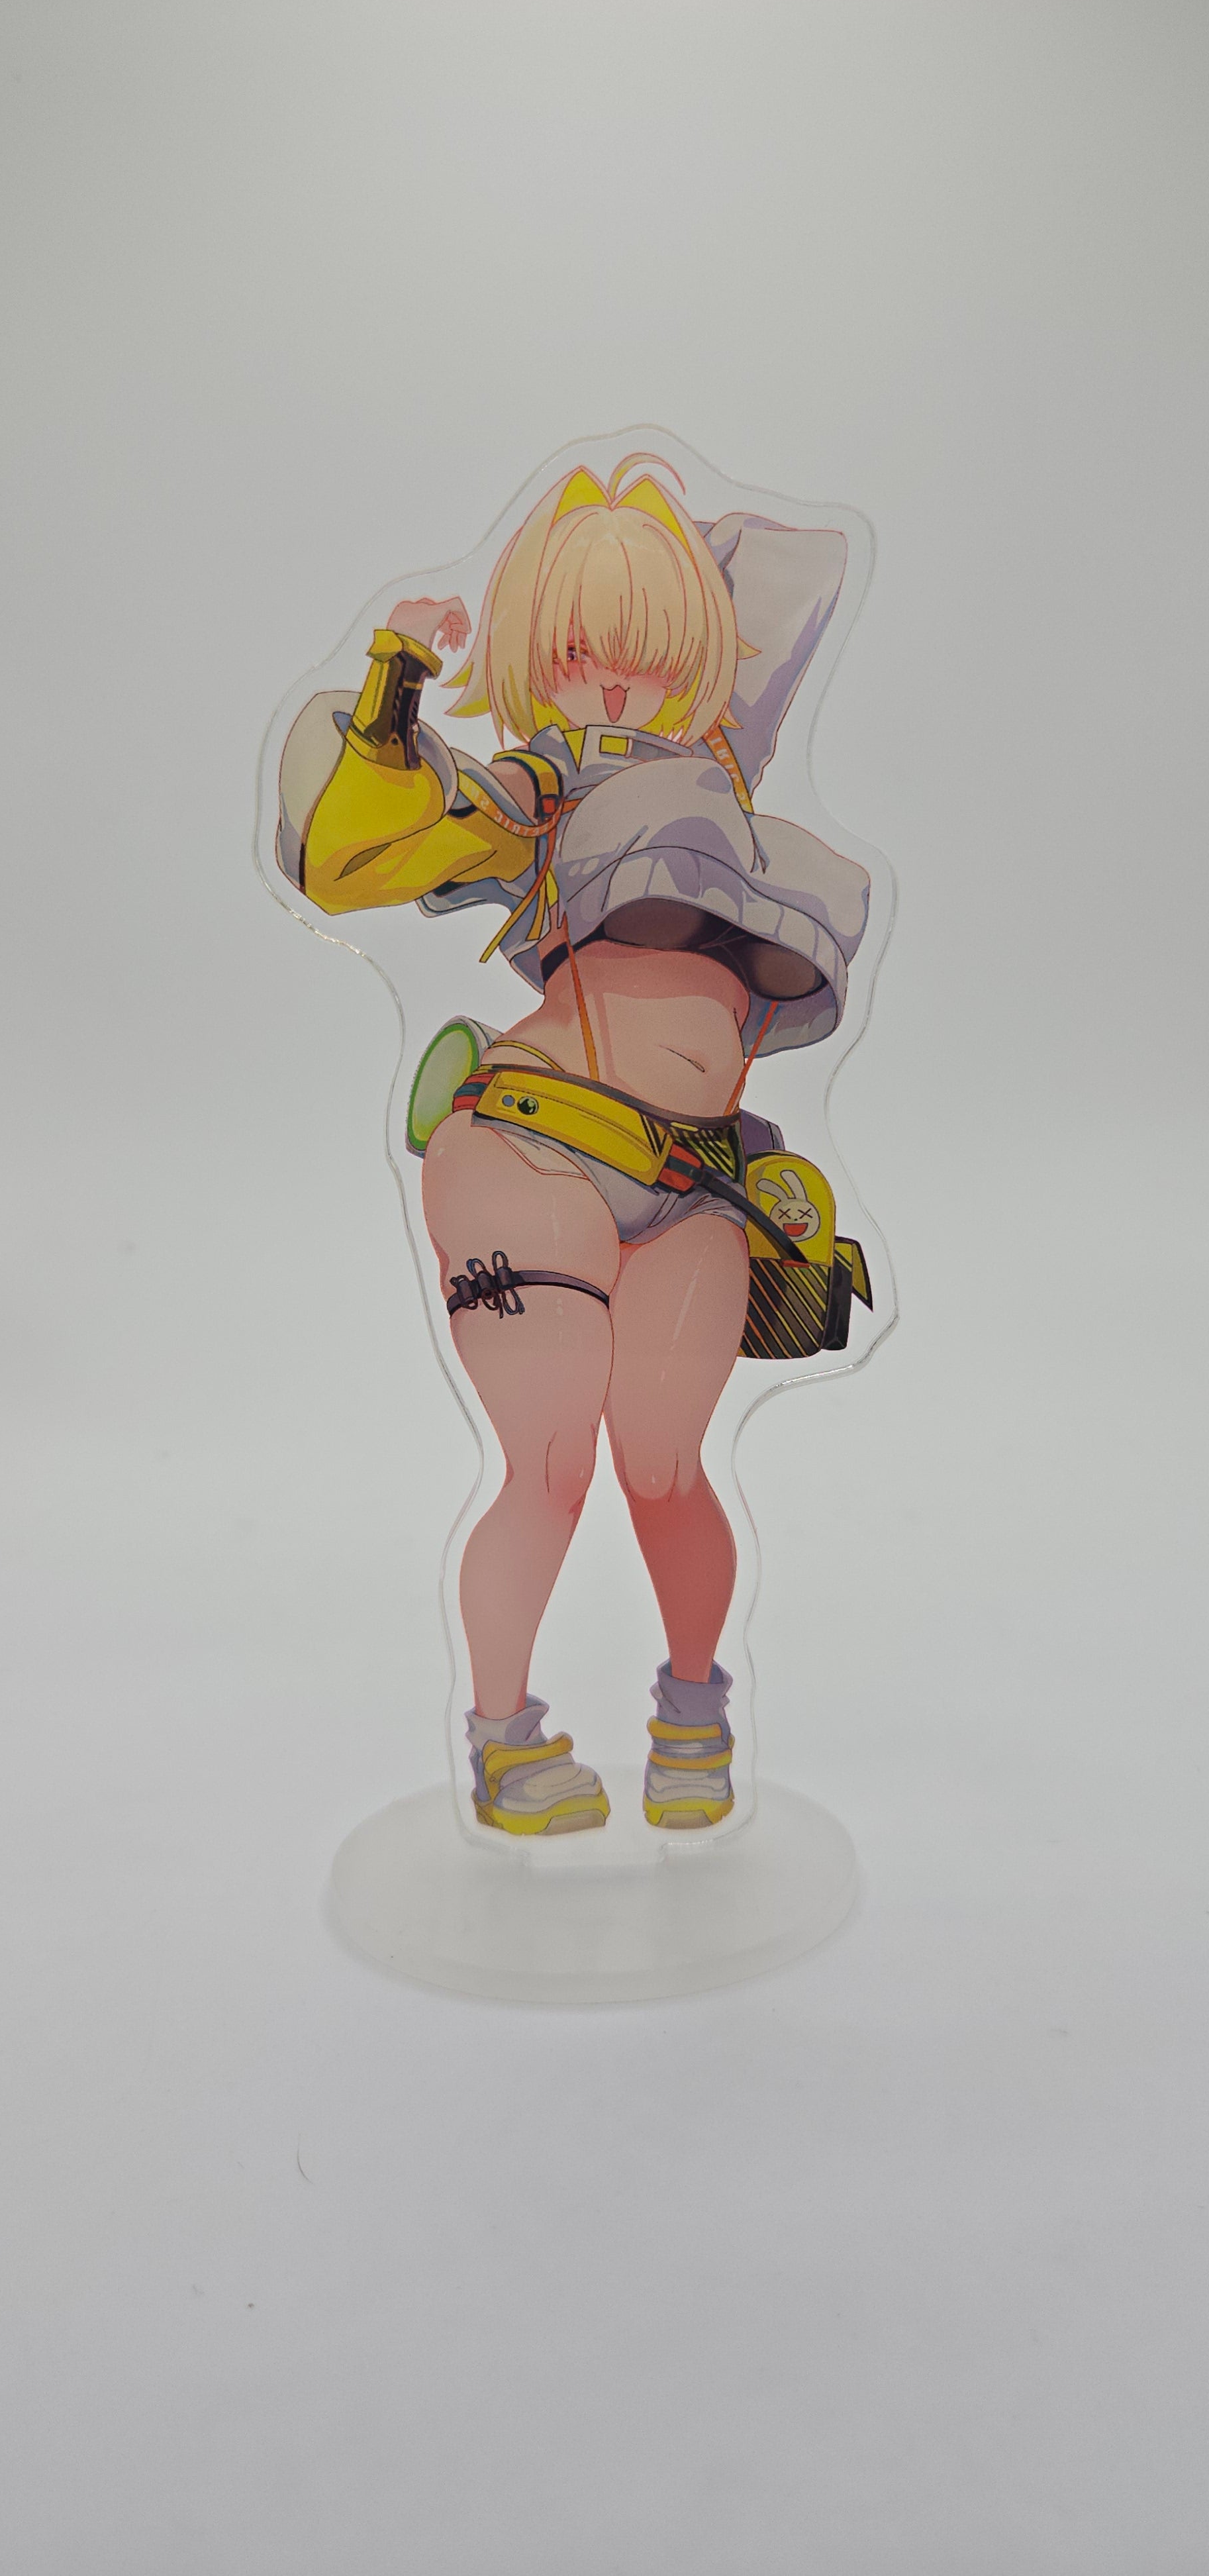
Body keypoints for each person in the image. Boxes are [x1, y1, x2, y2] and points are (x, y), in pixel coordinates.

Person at [277, 456, 870, 1838]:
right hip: (529, 1151)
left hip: (695, 1179)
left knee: (666, 1467)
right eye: (578, 654)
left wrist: (675, 582)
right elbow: (370, 839)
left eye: (647, 655)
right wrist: (397, 678)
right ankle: (503, 1736)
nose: (611, 684)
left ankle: (693, 1709)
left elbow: (799, 574)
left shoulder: (722, 787)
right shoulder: (541, 789)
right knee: (550, 1465)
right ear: (542, 665)